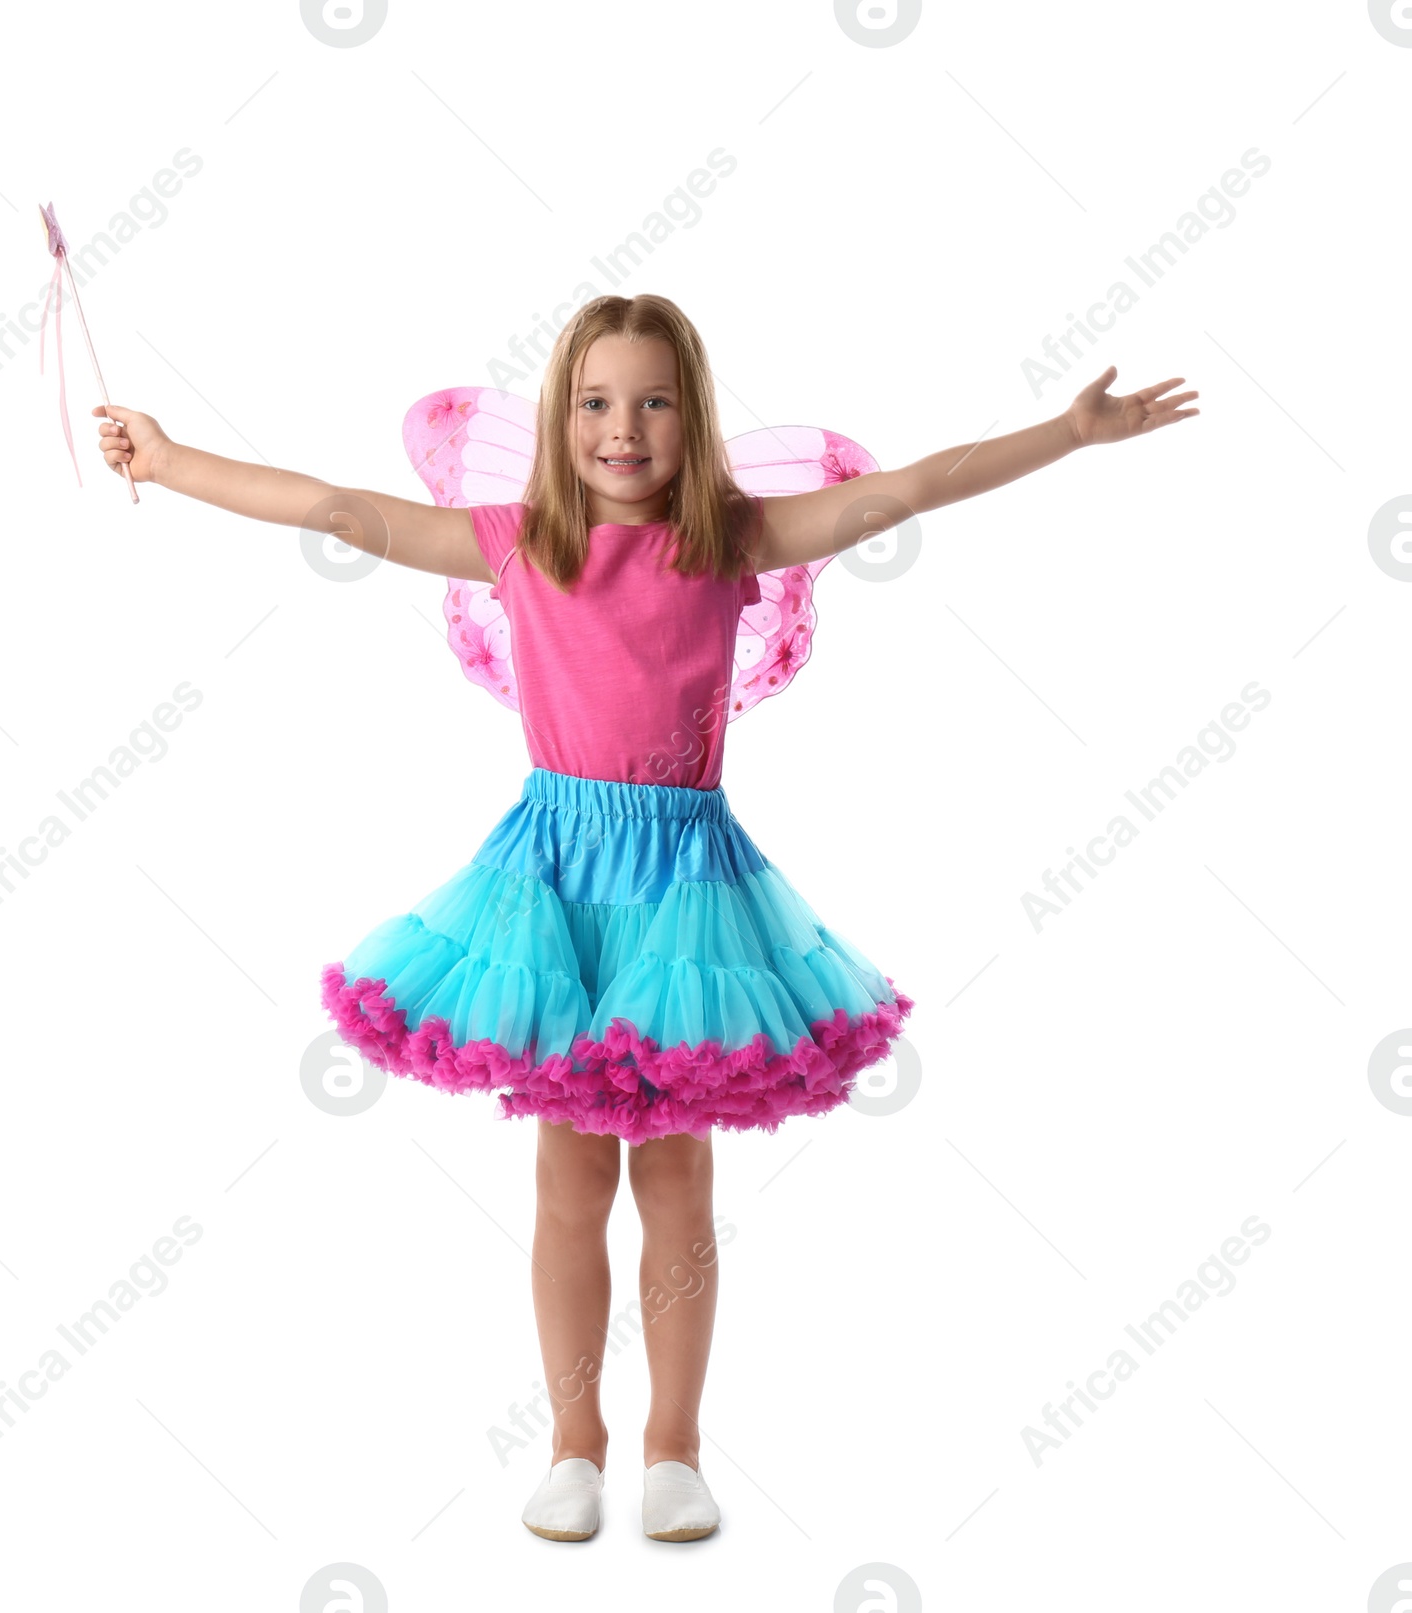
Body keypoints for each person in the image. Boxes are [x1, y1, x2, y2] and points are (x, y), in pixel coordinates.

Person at [93, 294, 1197, 1545]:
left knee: (675, 1184)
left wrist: (1066, 430)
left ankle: (672, 1447)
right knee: (569, 1183)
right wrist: (172, 460)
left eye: (655, 401)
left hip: (690, 902)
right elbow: (336, 509)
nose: (625, 428)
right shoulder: (518, 542)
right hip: (546, 895)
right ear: (563, 418)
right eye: (598, 402)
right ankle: (573, 1443)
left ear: (693, 415)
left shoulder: (731, 539)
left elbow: (910, 489)